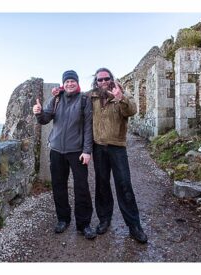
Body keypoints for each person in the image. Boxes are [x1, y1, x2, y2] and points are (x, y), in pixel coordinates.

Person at [33, 70, 96, 240]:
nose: (70, 84)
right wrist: (39, 112)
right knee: (58, 186)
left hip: (77, 152)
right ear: (63, 83)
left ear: (77, 83)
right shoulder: (56, 99)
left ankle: (84, 224)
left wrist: (87, 151)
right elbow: (45, 119)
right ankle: (63, 219)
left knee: (81, 188)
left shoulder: (84, 100)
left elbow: (89, 128)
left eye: (72, 81)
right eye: (67, 81)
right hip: (56, 151)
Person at [88, 67, 148, 243]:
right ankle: (104, 219)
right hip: (98, 147)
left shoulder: (120, 92)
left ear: (111, 79)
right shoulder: (91, 96)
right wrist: (59, 93)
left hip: (117, 147)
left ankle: (134, 226)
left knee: (124, 185)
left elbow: (132, 110)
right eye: (100, 80)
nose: (103, 82)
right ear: (96, 82)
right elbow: (74, 98)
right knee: (102, 185)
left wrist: (120, 98)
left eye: (106, 78)